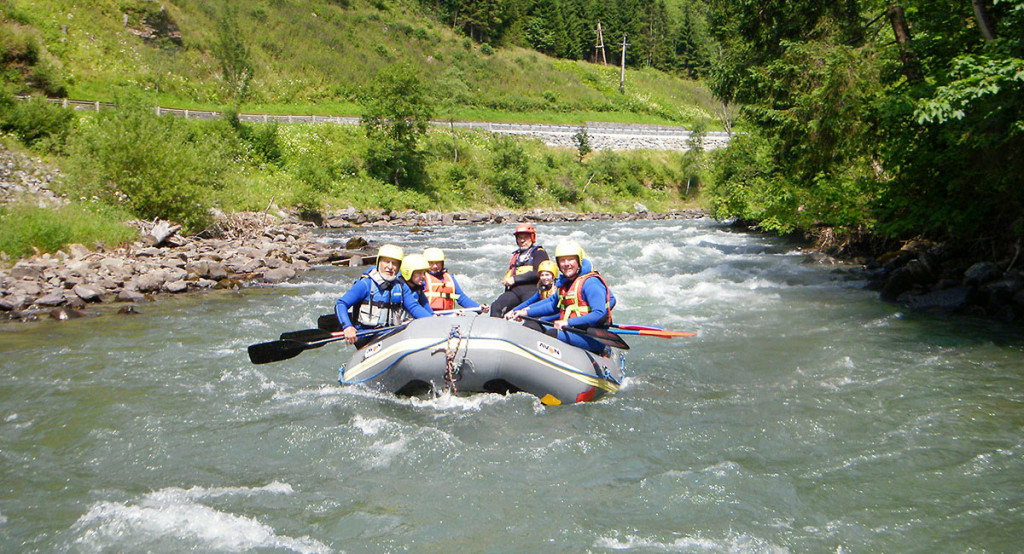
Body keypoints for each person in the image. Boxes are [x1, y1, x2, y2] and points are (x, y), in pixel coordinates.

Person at [506, 240, 615, 353]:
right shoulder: (567, 283)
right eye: (562, 260)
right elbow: (552, 305)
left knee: (548, 333)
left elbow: (599, 313)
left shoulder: (591, 283)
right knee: (532, 324)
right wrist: (524, 312)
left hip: (590, 337)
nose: (566, 264)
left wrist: (568, 323)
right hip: (573, 330)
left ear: (579, 261)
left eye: (571, 259)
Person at [334, 244, 433, 347]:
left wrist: (433, 321)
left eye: (394, 263)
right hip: (367, 337)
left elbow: (414, 307)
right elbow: (341, 304)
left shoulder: (401, 286)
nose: (390, 267)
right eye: (386, 261)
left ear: (399, 266)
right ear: (379, 262)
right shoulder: (366, 284)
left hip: (391, 335)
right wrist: (347, 327)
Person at [490, 223, 549, 317]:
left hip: (532, 291)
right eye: (519, 238)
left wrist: (515, 279)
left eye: (525, 237)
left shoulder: (539, 253)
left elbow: (538, 273)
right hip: (514, 291)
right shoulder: (516, 256)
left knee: (530, 313)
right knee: (496, 306)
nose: (522, 240)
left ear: (532, 238)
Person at [422, 247, 485, 312]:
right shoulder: (422, 279)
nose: (435, 266)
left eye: (438, 263)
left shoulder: (449, 277)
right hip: (428, 317)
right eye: (431, 263)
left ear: (442, 263)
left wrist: (479, 308)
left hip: (448, 316)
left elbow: (461, 298)